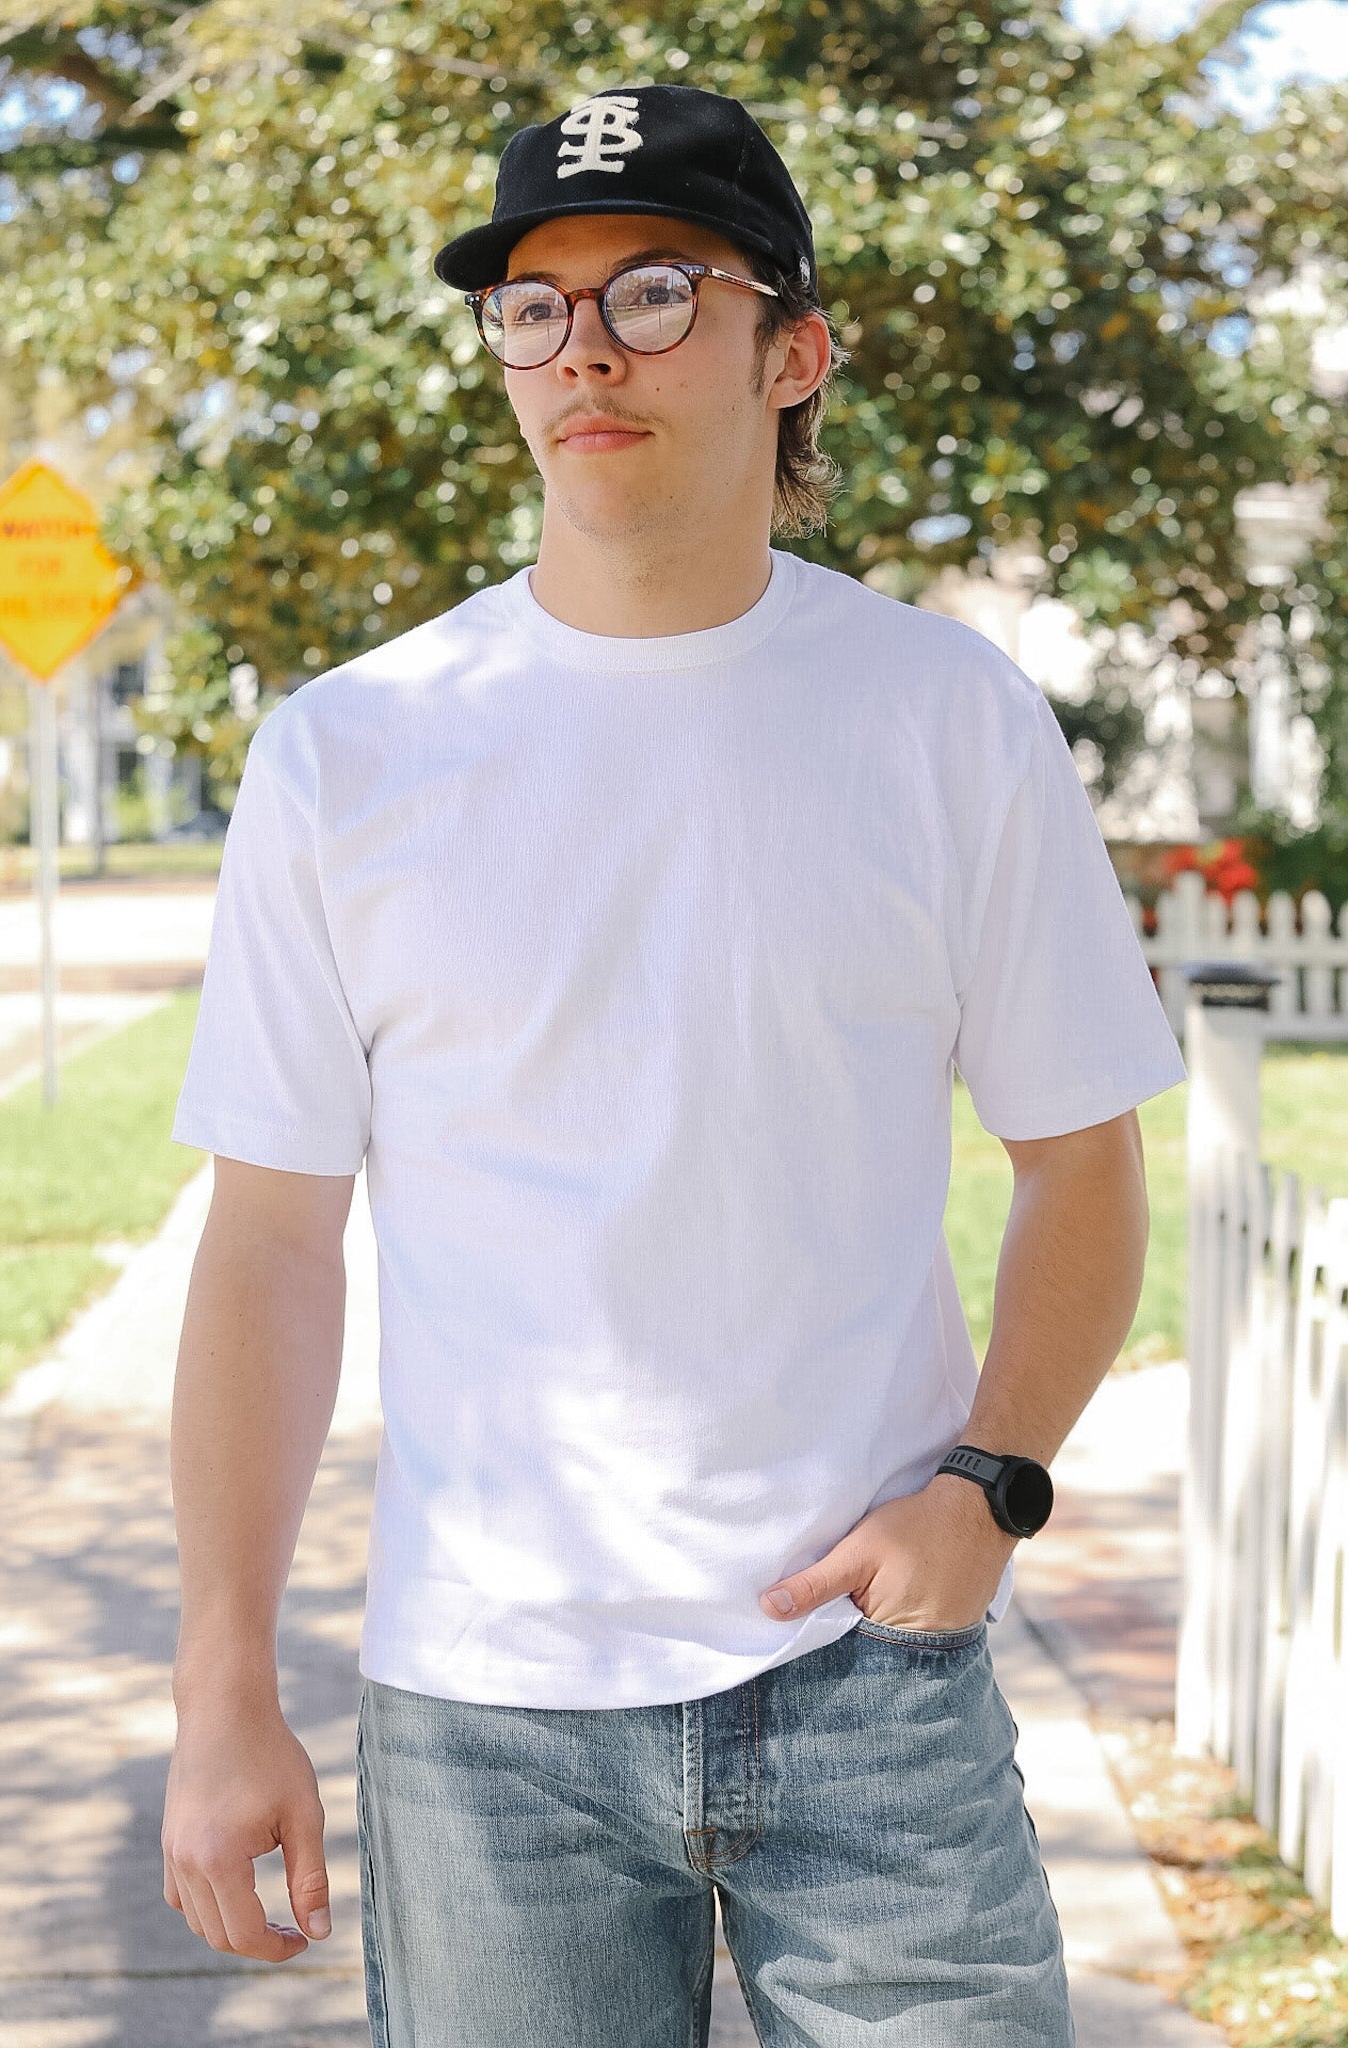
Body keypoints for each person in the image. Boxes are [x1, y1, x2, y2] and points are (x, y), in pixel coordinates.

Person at [161, 80, 1187, 2048]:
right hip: (489, 1715)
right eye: (529, 307)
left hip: (869, 1681)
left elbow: (1080, 1157)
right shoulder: (350, 755)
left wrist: (986, 1485)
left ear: (788, 351)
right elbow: (270, 1245)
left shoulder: (945, 721)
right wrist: (222, 1685)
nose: (581, 352)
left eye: (649, 291)